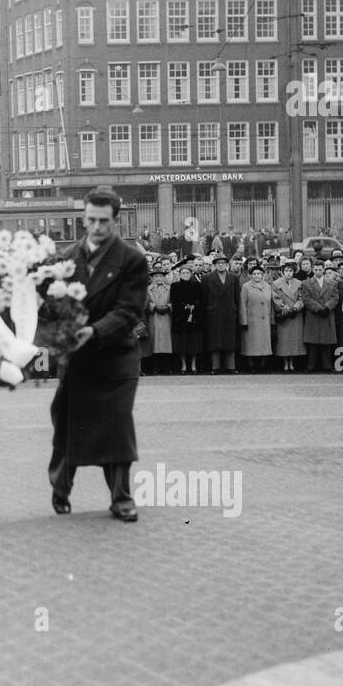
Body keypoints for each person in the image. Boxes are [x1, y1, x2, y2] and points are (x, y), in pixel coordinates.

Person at [48, 186, 149, 522]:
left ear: (116, 220)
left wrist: (94, 330)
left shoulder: (132, 260)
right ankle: (61, 486)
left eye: (104, 221)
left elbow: (129, 310)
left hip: (115, 355)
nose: (96, 227)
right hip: (76, 359)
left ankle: (121, 498)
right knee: (66, 421)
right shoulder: (65, 258)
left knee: (117, 425)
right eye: (90, 220)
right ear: (83, 217)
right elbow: (49, 300)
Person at [201, 255, 240, 374]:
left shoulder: (233, 278)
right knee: (215, 340)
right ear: (214, 265)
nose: (221, 265)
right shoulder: (207, 278)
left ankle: (231, 367)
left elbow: (236, 296)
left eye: (223, 263)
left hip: (229, 313)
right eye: (218, 263)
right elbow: (204, 297)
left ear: (227, 265)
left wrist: (235, 309)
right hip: (214, 313)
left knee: (230, 340)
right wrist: (208, 310)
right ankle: (215, 367)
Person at [300, 260, 338, 372]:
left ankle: (327, 366)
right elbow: (306, 299)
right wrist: (318, 308)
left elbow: (335, 298)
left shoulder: (332, 283)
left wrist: (327, 307)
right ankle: (311, 366)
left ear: (323, 270)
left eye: (320, 269)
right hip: (313, 315)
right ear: (312, 269)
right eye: (315, 269)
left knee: (326, 343)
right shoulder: (306, 283)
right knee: (313, 343)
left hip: (327, 314)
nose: (318, 272)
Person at [238, 261, 273, 372]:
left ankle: (263, 365)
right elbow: (242, 304)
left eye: (259, 274)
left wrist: (272, 321)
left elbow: (271, 304)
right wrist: (243, 321)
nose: (257, 276)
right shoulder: (246, 287)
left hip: (264, 321)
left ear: (263, 275)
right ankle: (251, 365)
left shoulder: (267, 286)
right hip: (251, 320)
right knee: (251, 344)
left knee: (263, 344)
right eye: (254, 274)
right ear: (250, 275)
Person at [271, 260, 305, 372]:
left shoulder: (299, 283)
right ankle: (285, 363)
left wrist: (296, 307)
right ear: (282, 272)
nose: (288, 273)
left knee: (294, 340)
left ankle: (292, 362)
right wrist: (283, 307)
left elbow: (301, 298)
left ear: (294, 272)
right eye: (286, 270)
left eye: (290, 271)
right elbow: (275, 298)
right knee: (284, 341)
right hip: (284, 315)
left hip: (295, 315)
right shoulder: (276, 284)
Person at [169, 261, 203, 374]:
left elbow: (200, 299)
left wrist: (194, 306)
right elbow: (174, 301)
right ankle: (183, 365)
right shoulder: (175, 286)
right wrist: (184, 307)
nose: (185, 274)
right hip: (180, 319)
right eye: (183, 272)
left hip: (194, 318)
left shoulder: (196, 285)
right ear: (179, 274)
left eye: (187, 272)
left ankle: (193, 365)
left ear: (191, 273)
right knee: (182, 345)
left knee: (194, 344)